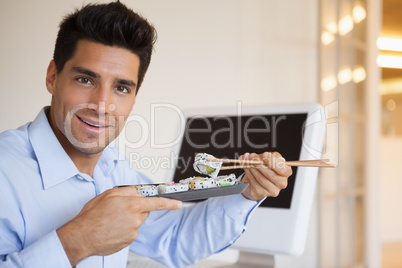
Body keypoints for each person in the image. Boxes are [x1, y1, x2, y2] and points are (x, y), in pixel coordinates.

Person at [0, 1, 292, 267]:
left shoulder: (115, 170)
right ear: (53, 77)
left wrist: (248, 192)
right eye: (85, 79)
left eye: (121, 88)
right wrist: (78, 241)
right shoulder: (5, 171)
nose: (102, 106)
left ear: (135, 96)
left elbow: (175, 239)